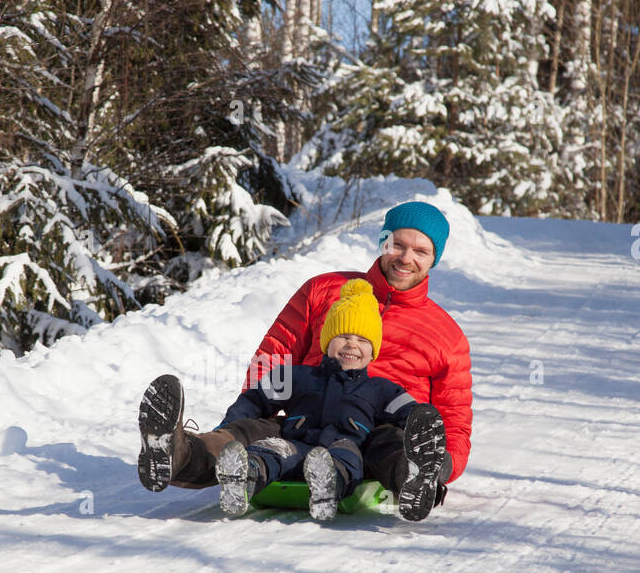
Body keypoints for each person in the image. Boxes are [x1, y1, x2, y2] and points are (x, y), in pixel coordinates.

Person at [137, 200, 471, 522]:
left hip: (378, 433)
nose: (405, 258)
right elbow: (273, 358)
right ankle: (179, 455)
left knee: (391, 444)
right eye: (398, 244)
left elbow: (453, 422)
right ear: (384, 241)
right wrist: (243, 418)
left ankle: (414, 478)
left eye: (421, 251)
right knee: (251, 432)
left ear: (434, 258)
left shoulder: (446, 334)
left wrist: (440, 465)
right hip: (304, 418)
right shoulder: (323, 289)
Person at [209, 280, 443, 521]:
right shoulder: (298, 377)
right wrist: (230, 426)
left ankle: (329, 489)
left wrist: (421, 435)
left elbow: (411, 415)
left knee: (345, 460)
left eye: (362, 340)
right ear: (327, 342)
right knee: (272, 449)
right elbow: (255, 399)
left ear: (373, 352)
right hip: (296, 444)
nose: (352, 344)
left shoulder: (379, 389)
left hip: (347, 446)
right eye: (343, 336)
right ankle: (244, 478)